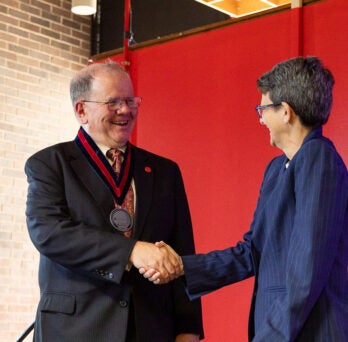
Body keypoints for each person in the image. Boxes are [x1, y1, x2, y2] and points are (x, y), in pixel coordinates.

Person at [142, 56, 348, 341]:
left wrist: (272, 336)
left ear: (285, 112)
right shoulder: (277, 169)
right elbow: (252, 251)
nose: (261, 118)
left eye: (263, 108)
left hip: (310, 331)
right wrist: (182, 266)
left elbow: (308, 268)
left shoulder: (319, 158)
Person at [25, 61, 203, 342]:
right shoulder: (49, 165)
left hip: (151, 329)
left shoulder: (164, 172)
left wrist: (188, 329)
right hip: (75, 330)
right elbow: (49, 234)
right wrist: (131, 251)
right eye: (113, 102)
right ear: (82, 110)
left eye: (130, 100)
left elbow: (182, 251)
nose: (126, 110)